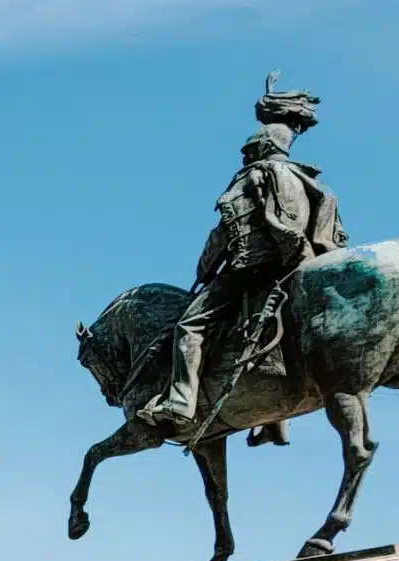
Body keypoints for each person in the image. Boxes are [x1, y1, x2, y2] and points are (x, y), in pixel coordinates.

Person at [138, 75, 345, 436]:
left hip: (255, 268)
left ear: (259, 149)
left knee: (190, 325)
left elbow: (226, 233)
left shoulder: (254, 178)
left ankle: (180, 401)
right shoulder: (312, 182)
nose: (245, 156)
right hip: (302, 264)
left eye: (247, 151)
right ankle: (273, 421)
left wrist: (204, 269)